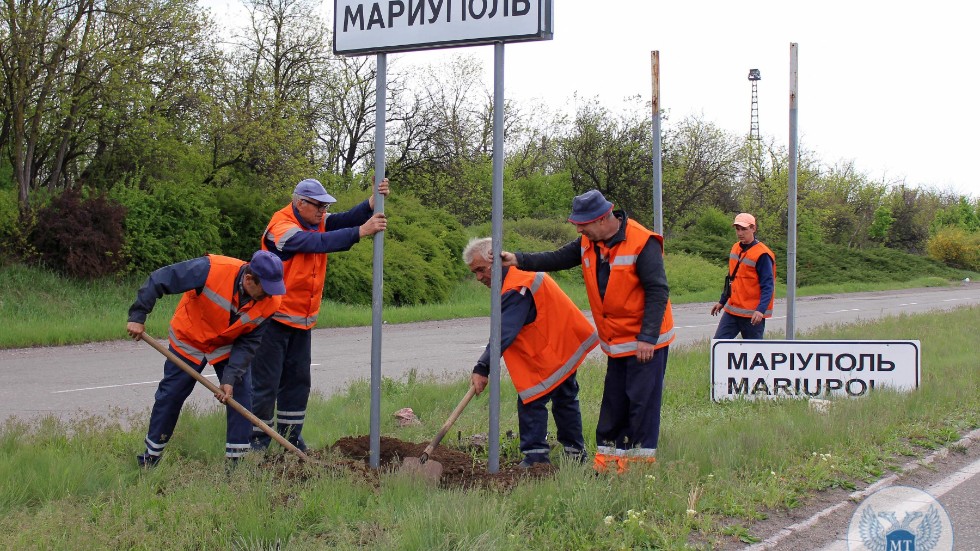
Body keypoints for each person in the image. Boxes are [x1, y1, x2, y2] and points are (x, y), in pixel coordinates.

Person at [501, 189, 674, 474]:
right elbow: (557, 258)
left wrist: (648, 338)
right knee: (614, 404)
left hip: (645, 342)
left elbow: (658, 291)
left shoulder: (642, 242)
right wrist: (517, 258)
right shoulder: (588, 242)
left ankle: (637, 469)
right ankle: (607, 465)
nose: (579, 229)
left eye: (583, 224)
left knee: (641, 405)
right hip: (616, 341)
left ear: (604, 217)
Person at [249, 178, 388, 451]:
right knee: (265, 384)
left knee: (298, 383)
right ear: (300, 203)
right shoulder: (283, 227)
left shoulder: (314, 220)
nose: (323, 213)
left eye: (325, 208)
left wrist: (372, 203)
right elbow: (317, 242)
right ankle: (256, 443)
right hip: (272, 319)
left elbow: (342, 220)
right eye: (319, 207)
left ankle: (290, 439)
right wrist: (361, 231)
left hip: (301, 321)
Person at [127, 250, 286, 467]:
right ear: (249, 279)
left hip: (226, 344)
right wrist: (138, 315)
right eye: (265, 290)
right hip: (190, 338)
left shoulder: (271, 302)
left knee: (240, 396)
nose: (268, 296)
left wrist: (230, 378)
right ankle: (150, 458)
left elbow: (249, 343)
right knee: (171, 395)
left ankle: (236, 467)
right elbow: (160, 278)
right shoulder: (211, 269)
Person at [464, 237, 599, 468]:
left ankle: (537, 459)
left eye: (480, 270)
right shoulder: (519, 277)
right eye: (474, 272)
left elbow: (502, 333)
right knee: (564, 398)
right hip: (557, 347)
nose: (478, 278)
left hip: (553, 349)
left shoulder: (518, 285)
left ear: (496, 262)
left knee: (532, 400)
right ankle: (574, 453)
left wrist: (482, 367)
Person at [709, 212, 776, 339]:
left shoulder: (762, 254)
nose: (740, 233)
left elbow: (768, 286)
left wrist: (760, 310)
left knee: (754, 354)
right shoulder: (735, 248)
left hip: (752, 315)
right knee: (719, 347)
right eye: (737, 229)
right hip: (732, 311)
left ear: (753, 228)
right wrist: (722, 301)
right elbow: (731, 278)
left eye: (744, 229)